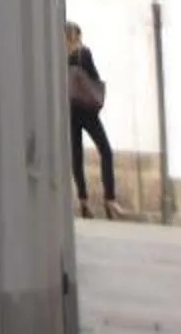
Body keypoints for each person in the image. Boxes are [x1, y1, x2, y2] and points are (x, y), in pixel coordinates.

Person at [67, 22, 120, 217]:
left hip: (70, 110)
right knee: (105, 150)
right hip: (87, 110)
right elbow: (94, 77)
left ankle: (83, 201)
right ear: (78, 36)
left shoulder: (61, 56)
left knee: (77, 155)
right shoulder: (84, 54)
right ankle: (110, 199)